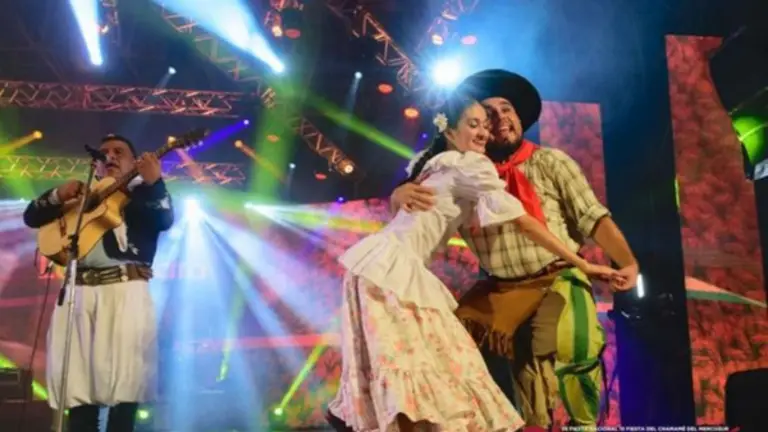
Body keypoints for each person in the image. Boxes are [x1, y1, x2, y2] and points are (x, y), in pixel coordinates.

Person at [325, 93, 621, 431]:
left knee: (427, 360)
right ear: (449, 130)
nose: (483, 132)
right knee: (444, 360)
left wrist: (398, 194)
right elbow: (524, 222)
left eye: (485, 126)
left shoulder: (436, 163)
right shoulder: (468, 165)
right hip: (392, 271)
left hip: (376, 266)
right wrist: (583, 264)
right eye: (473, 124)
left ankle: (350, 414)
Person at [391, 70, 638, 428]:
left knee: (575, 343)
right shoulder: (463, 172)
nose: (501, 117)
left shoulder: (550, 162)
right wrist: (398, 193)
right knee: (453, 352)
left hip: (556, 275)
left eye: (507, 109)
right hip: (500, 288)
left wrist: (627, 262)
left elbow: (592, 217)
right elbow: (415, 188)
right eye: (488, 114)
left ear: (520, 117)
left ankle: (584, 426)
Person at [23, 134, 174, 432]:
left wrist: (155, 182)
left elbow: (164, 220)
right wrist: (58, 195)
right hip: (78, 293)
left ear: (134, 162)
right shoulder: (81, 198)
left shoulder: (141, 194)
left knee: (126, 384)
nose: (111, 156)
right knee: (79, 388)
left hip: (125, 290)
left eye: (119, 152)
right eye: (105, 152)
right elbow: (32, 216)